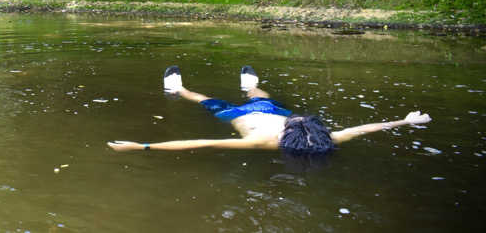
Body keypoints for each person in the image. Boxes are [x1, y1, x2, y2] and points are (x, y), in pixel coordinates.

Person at [107, 65, 431, 154]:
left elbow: (202, 143)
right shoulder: (323, 138)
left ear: (289, 133)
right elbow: (363, 129)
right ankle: (250, 86)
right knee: (265, 97)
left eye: (293, 123)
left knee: (206, 100)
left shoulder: (262, 142)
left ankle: (178, 90)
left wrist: (144, 146)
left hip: (237, 115)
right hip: (267, 108)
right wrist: (404, 121)